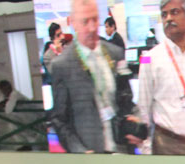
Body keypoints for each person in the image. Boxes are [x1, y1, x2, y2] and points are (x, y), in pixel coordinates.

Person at [132, 0, 185, 156]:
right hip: (167, 146)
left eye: (174, 12)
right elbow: (143, 108)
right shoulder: (149, 58)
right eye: (164, 15)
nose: (168, 19)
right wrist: (146, 152)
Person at [49, 0, 134, 154]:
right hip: (89, 154)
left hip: (122, 150)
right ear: (73, 23)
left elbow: (126, 99)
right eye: (85, 21)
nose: (92, 27)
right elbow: (59, 120)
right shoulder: (62, 65)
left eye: (95, 19)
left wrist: (134, 120)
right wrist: (80, 151)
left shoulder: (115, 53)